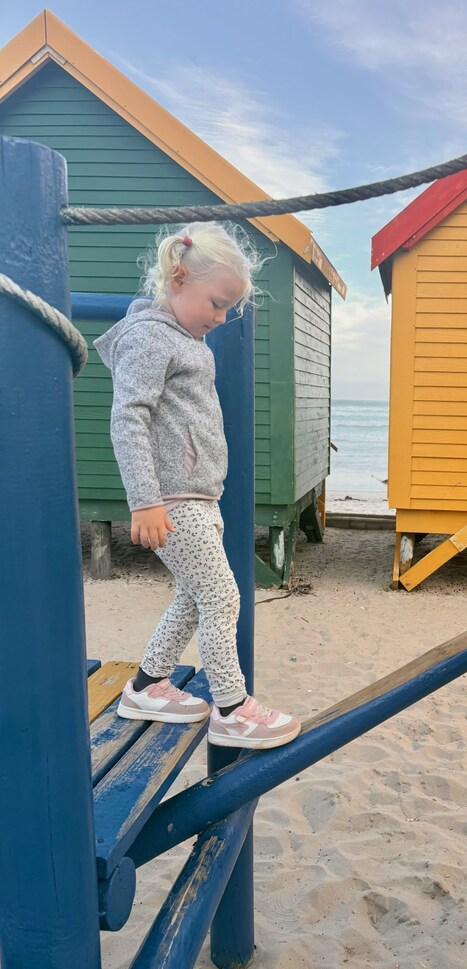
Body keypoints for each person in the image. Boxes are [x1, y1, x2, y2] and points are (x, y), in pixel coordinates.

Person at [95, 222, 300, 750]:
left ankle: (146, 685)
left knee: (193, 596)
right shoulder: (147, 336)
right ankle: (231, 708)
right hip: (171, 498)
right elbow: (129, 418)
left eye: (229, 307)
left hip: (198, 495)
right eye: (216, 303)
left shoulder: (186, 339)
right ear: (178, 278)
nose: (222, 317)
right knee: (223, 595)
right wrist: (144, 501)